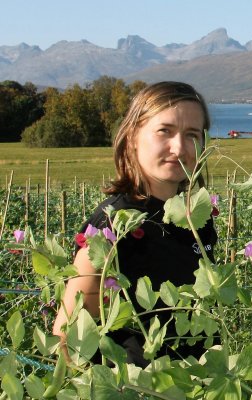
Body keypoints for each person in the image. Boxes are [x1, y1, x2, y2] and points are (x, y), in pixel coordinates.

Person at [52, 81, 217, 367]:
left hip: (200, 396)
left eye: (192, 134)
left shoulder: (196, 218)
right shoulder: (112, 223)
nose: (179, 148)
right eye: (164, 131)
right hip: (138, 398)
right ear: (133, 137)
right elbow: (67, 334)